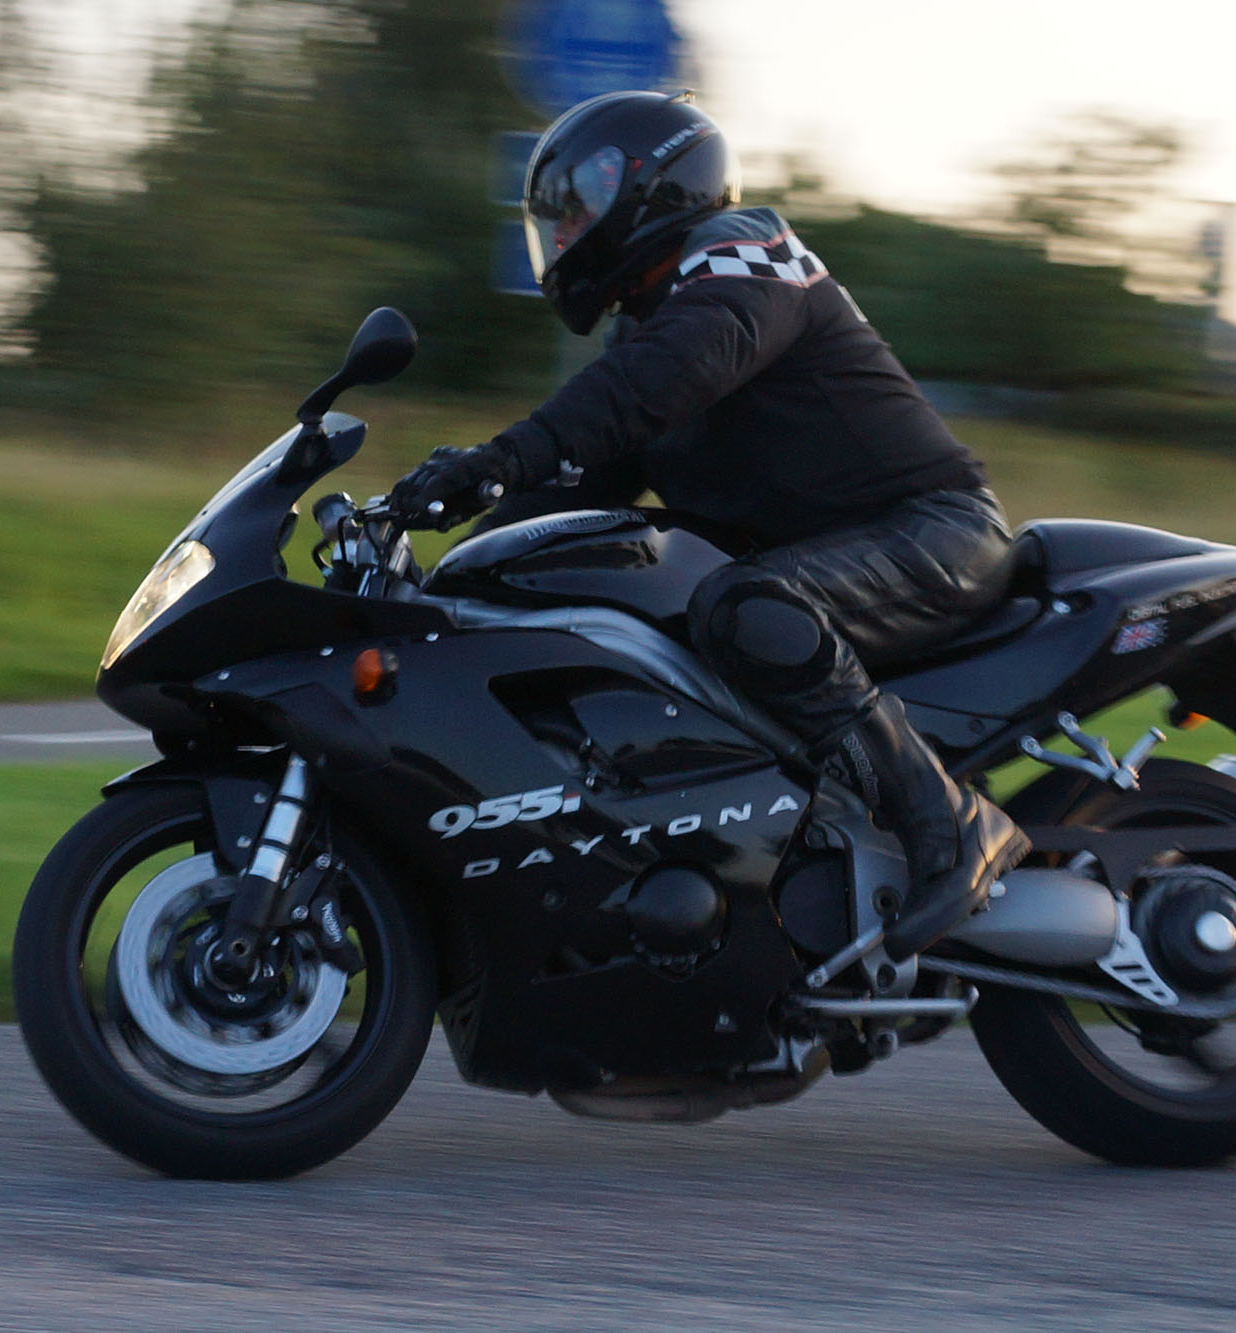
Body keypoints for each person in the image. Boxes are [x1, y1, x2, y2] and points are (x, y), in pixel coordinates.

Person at [389, 91, 1027, 960]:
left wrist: (504, 453)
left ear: (649, 186)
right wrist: (433, 590)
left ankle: (947, 820)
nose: (563, 236)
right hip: (827, 566)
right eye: (555, 221)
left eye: (575, 210)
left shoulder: (747, 256)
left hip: (934, 533)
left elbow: (675, 370)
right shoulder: (646, 337)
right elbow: (568, 493)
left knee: (737, 604)